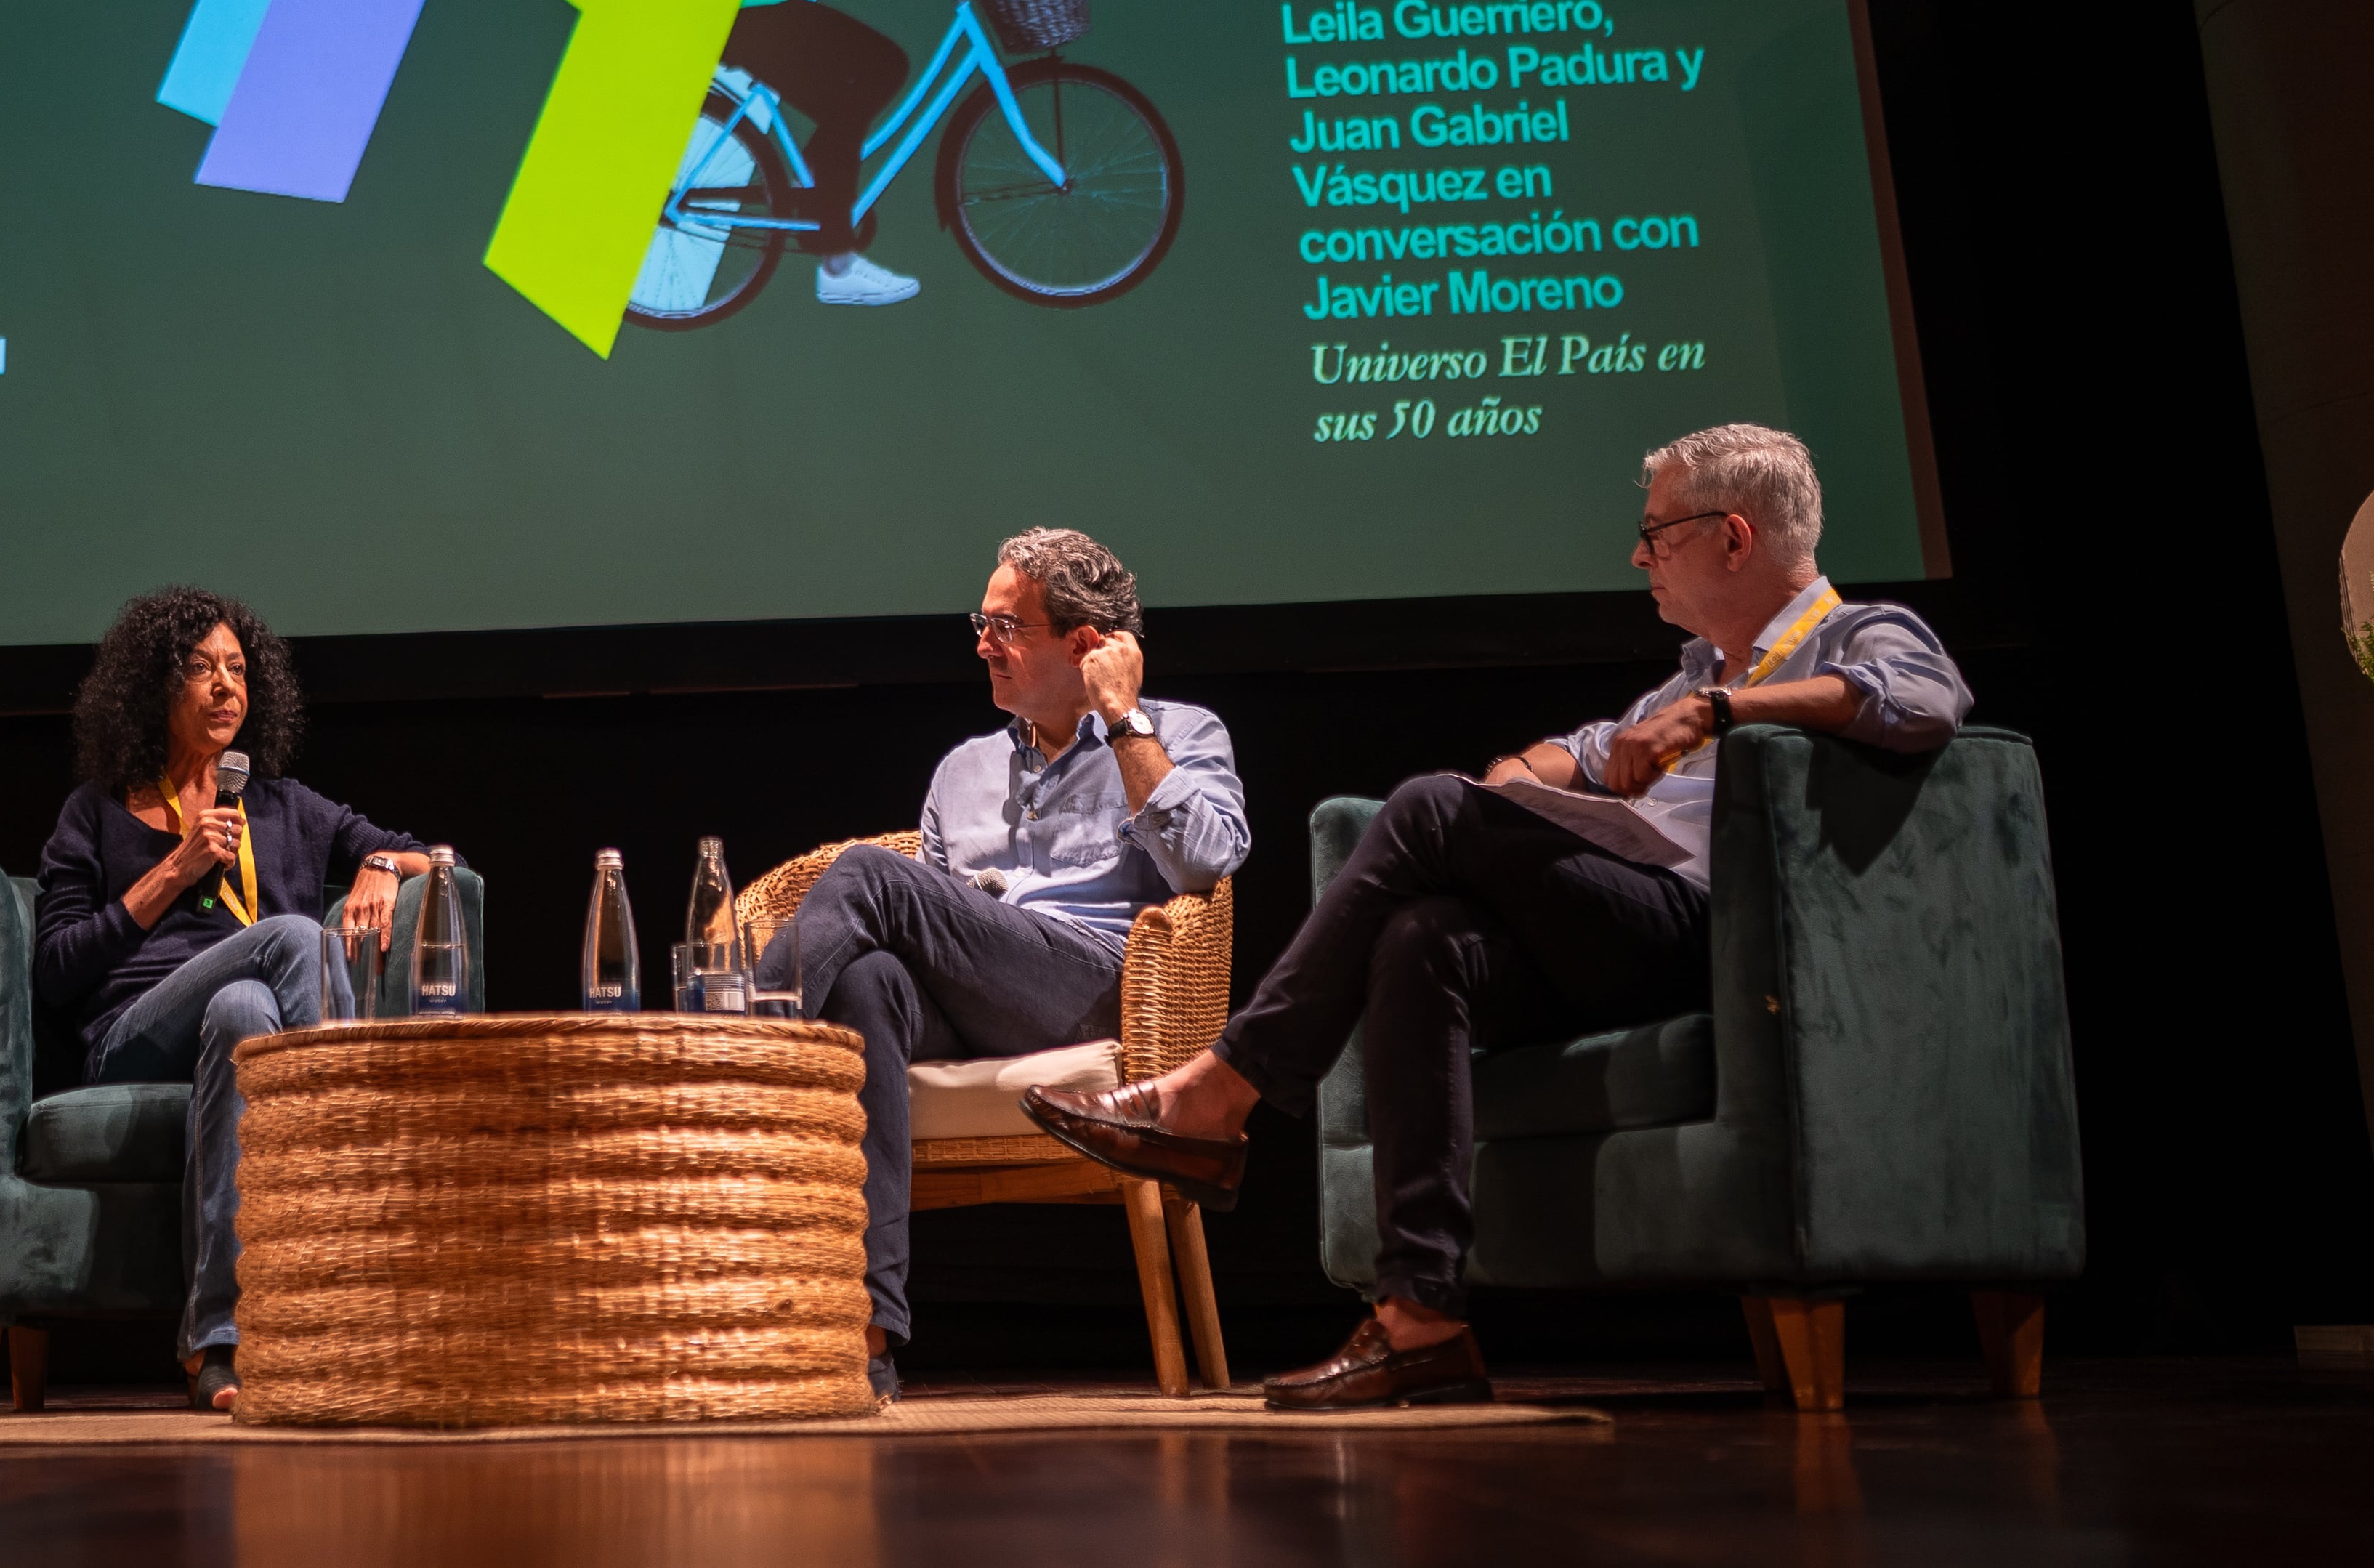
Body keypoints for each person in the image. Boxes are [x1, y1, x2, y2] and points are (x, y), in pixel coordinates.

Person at [1025, 423, 1972, 1410]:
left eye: (1658, 533)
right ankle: (1419, 1317)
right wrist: (1528, 779)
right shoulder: (1688, 676)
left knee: (1429, 804)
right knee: (1421, 937)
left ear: (1735, 539)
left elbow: (1924, 701)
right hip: (1617, 926)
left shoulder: (1859, 634)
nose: (1638, 555)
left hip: (1720, 942)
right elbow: (1589, 747)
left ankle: (1225, 1090)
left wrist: (1728, 715)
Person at [757, 527, 1249, 1397]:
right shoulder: (963, 769)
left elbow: (1206, 863)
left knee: (871, 872)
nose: (982, 644)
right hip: (985, 983)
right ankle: (868, 1338)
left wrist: (1122, 719)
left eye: (1005, 627)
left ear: (1085, 644)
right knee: (869, 982)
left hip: (1101, 988)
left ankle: (734, 1047)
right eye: (978, 623)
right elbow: (936, 929)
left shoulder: (1175, 732)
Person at [29, 586, 435, 1414]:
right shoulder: (97, 813)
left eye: (238, 670)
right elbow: (56, 968)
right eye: (201, 668)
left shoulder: (283, 805)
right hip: (129, 1034)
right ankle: (348, 1184)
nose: (225, 687)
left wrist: (382, 865)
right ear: (155, 687)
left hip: (236, 1024)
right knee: (289, 938)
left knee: (245, 1009)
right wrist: (172, 872)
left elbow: (434, 856)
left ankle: (216, 1344)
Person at [722, 0, 959, 309]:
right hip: (741, 15)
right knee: (844, 104)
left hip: (773, 7)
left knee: (885, 63)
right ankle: (838, 265)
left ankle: (812, 184)